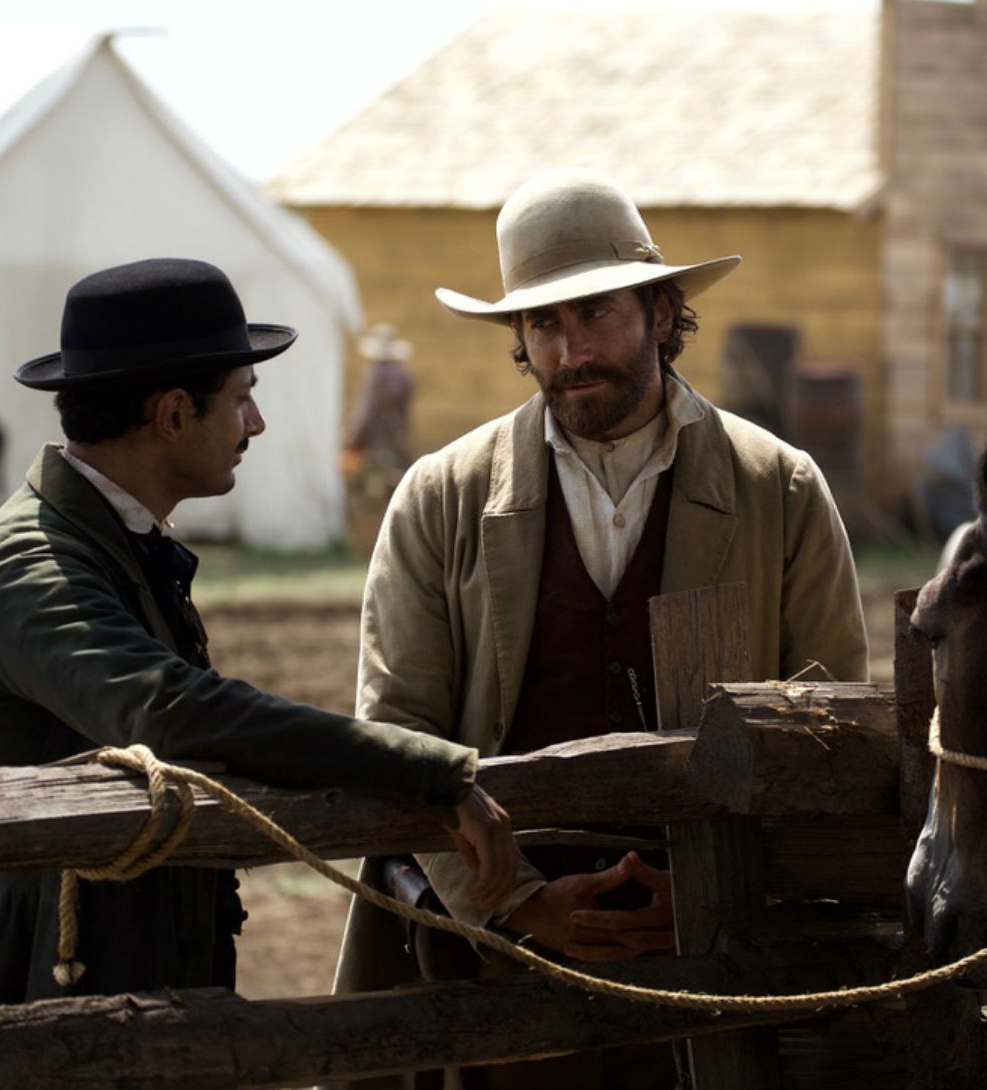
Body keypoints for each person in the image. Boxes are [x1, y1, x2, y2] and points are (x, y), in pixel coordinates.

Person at [332, 168, 868, 1087]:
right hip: (497, 965)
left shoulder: (778, 488)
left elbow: (829, 739)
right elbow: (398, 735)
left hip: (713, 973)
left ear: (661, 314)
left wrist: (712, 898)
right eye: (543, 324)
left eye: (597, 314)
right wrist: (519, 905)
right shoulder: (442, 498)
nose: (572, 349)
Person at [0, 257, 517, 1009]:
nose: (256, 423)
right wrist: (428, 767)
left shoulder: (108, 537)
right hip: (44, 972)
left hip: (116, 961)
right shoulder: (30, 562)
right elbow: (173, 711)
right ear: (173, 415)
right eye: (243, 399)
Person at [342, 322, 419, 510]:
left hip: (375, 445)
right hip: (398, 441)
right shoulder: (404, 375)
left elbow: (364, 413)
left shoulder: (374, 376)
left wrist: (352, 439)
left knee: (371, 494)